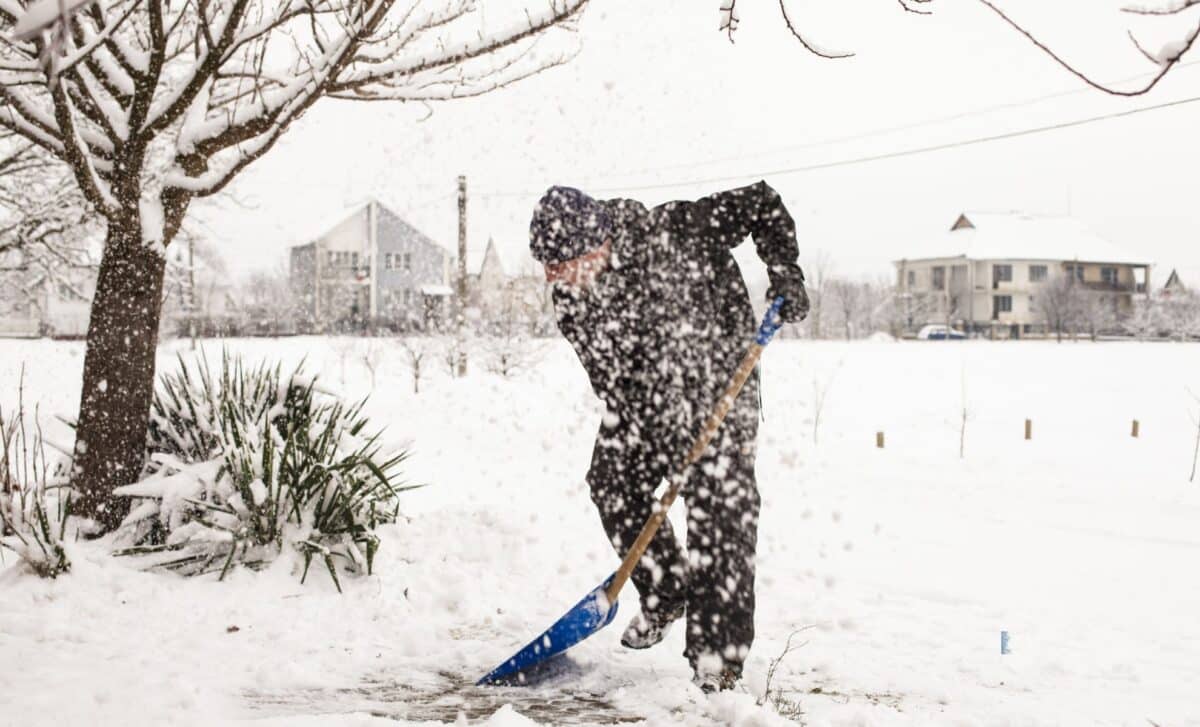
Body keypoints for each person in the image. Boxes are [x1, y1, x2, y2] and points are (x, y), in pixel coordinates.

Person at [527, 181, 810, 692]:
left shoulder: (675, 230)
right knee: (612, 479)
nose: (553, 277)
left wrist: (785, 270)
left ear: (596, 244)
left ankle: (716, 666)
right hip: (649, 404)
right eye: (546, 266)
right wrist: (661, 433)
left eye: (560, 263)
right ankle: (665, 588)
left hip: (723, 385)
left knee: (719, 513)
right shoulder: (572, 301)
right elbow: (610, 382)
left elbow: (764, 202)